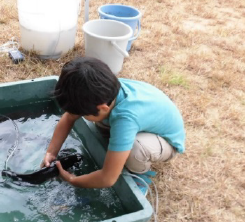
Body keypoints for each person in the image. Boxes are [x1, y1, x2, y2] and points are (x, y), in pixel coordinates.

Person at [41, 57, 185, 189]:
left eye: (83, 114)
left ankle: (140, 176)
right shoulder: (101, 90)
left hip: (166, 142)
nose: (79, 115)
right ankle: (119, 149)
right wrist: (51, 152)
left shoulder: (126, 119)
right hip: (142, 122)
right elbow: (69, 117)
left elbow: (107, 179)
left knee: (136, 149)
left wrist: (72, 180)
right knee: (102, 123)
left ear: (103, 107)